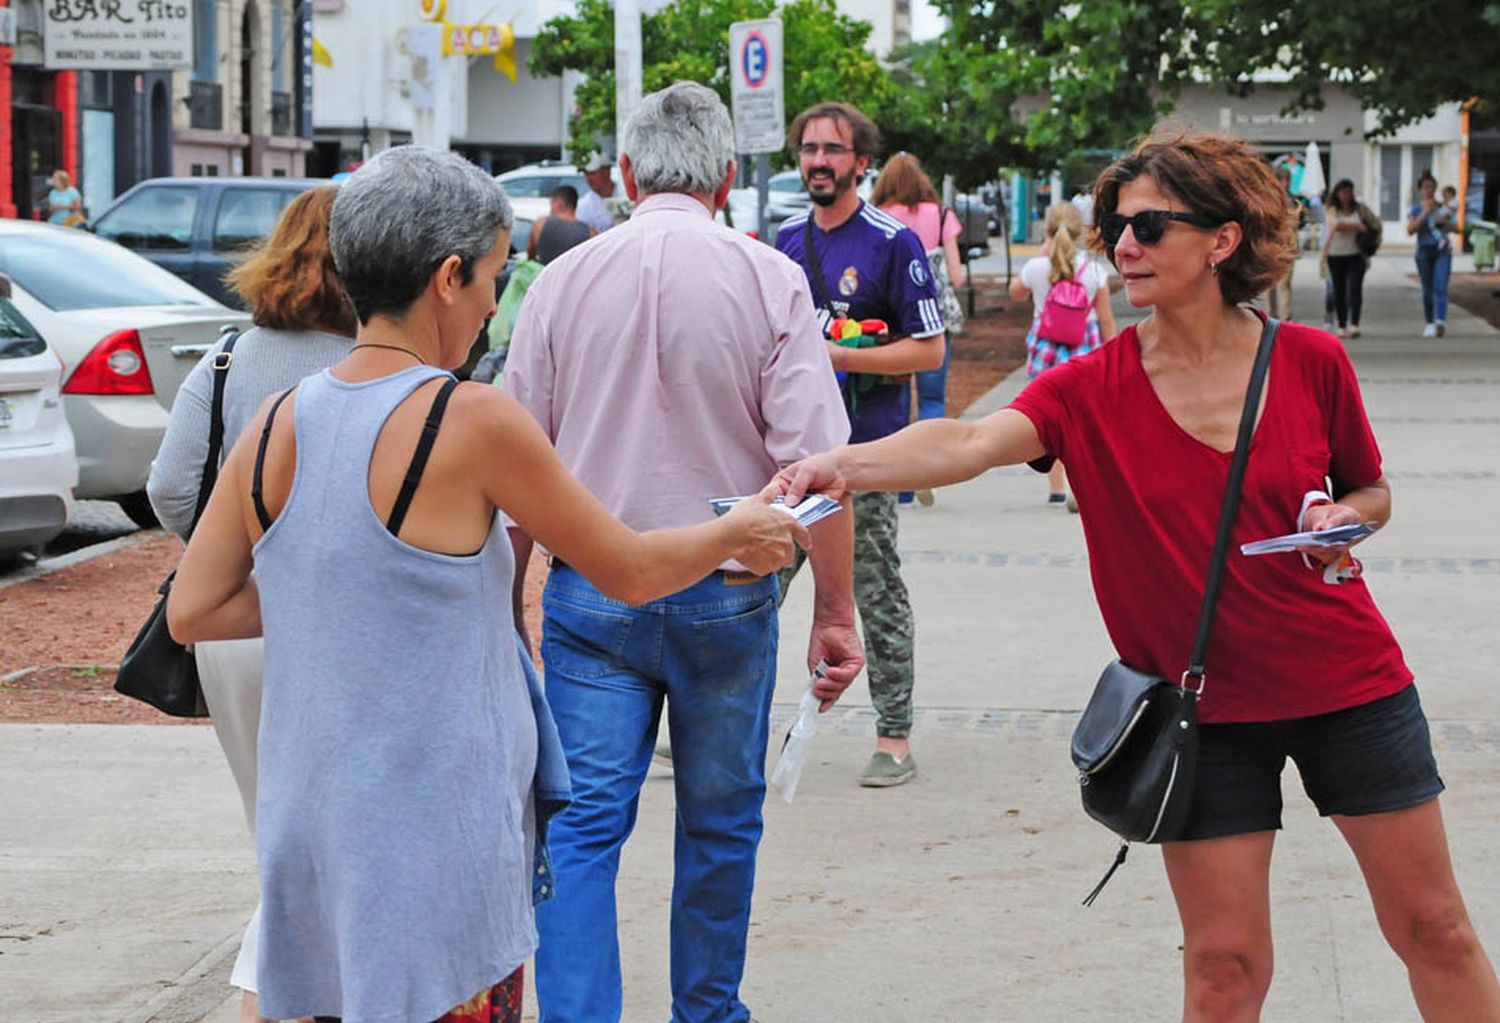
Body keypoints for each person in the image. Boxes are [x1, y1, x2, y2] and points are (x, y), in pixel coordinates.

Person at [775, 128, 1500, 1022]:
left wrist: (1343, 518)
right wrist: (841, 465)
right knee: (1226, 969)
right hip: (1199, 714)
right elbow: (965, 442)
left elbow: (1370, 488)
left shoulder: (1311, 362)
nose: (1123, 245)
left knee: (1436, 928)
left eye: (1150, 227)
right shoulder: (1089, 387)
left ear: (1222, 240)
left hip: (1348, 685)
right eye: (1119, 225)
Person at [165, 144, 809, 1023]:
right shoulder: (468, 419)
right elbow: (627, 567)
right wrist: (737, 531)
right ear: (447, 276)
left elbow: (192, 608)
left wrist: (348, 584)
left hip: (309, 823)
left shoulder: (281, 418)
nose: (492, 306)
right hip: (435, 836)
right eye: (495, 279)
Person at [504, 82, 862, 1023]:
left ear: (624, 173)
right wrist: (835, 608)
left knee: (578, 829)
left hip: (593, 592)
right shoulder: (768, 277)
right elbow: (817, 470)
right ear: (729, 176)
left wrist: (504, 604)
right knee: (719, 822)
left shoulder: (560, 281)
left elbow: (513, 462)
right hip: (728, 590)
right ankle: (707, 1012)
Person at [146, 186, 357, 1023]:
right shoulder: (375, 366)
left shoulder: (228, 356)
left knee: (278, 832)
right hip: (333, 627)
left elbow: (169, 486)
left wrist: (224, 554)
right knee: (317, 847)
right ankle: (271, 1000)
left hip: (229, 627)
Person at [775, 101, 945, 788]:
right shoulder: (783, 241)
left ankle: (894, 735)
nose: (818, 161)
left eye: (833, 150)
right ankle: (711, 721)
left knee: (873, 594)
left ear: (861, 163)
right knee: (748, 585)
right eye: (809, 149)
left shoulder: (891, 242)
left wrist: (838, 360)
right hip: (786, 457)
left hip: (863, 454)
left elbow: (930, 351)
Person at [871, 151, 965, 506]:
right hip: (935, 317)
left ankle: (902, 486)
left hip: (889, 322)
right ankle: (925, 473)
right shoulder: (942, 216)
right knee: (931, 399)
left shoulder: (877, 217)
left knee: (895, 401)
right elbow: (955, 275)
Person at [1008, 201, 1116, 509]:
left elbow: (1015, 292)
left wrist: (1042, 253)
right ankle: (1079, 488)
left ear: (1049, 232)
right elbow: (1106, 318)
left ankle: (1055, 489)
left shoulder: (1038, 267)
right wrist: (1113, 359)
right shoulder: (1094, 270)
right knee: (1085, 419)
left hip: (1047, 351)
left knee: (1049, 419)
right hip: (1086, 347)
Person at [1323, 178, 1375, 339]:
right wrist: (1356, 226)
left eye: (1349, 192)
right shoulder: (1331, 209)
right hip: (1336, 254)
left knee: (1355, 289)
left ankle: (1355, 324)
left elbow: (1373, 224)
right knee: (1339, 290)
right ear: (1337, 193)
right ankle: (1342, 324)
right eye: (1343, 192)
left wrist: (1362, 228)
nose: (1347, 195)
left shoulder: (1360, 209)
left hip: (1356, 254)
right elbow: (1334, 224)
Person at [1408, 171, 1455, 338]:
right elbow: (1410, 230)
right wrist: (1424, 214)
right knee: (1427, 287)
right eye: (1425, 187)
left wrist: (1445, 222)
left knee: (1440, 285)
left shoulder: (1443, 207)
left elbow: (1457, 228)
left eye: (1431, 187)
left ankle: (1440, 321)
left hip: (1442, 250)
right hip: (1424, 251)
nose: (1428, 190)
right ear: (1420, 190)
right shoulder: (1416, 208)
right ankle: (1429, 322)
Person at [526, 185, 595, 264]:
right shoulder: (591, 233)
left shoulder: (540, 224)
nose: (550, 209)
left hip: (547, 274)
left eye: (551, 203)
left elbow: (531, 256)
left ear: (558, 203)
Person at [1264, 167, 1295, 322]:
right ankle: (1271, 316)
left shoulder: (1290, 199)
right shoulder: (1268, 199)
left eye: (1288, 180)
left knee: (1284, 285)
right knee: (1269, 285)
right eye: (1285, 180)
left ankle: (1285, 318)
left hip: (1286, 248)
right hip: (1270, 247)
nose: (1287, 183)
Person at [576, 153, 619, 234]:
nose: (588, 178)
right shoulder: (583, 205)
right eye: (585, 173)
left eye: (592, 173)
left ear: (607, 171)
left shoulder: (625, 194)